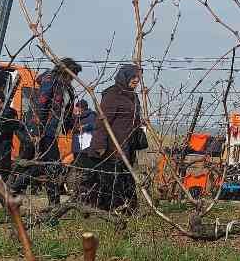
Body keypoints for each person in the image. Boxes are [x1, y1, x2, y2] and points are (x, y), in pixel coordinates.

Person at [13, 58, 81, 205]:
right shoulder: (50, 81)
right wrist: (37, 131)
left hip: (53, 131)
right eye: (72, 74)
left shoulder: (67, 88)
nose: (74, 78)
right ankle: (53, 204)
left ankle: (13, 189)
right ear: (65, 71)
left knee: (44, 166)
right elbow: (41, 106)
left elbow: (66, 110)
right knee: (52, 166)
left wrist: (72, 126)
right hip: (43, 131)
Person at [93, 65, 143, 212]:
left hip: (128, 146)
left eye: (138, 77)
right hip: (113, 147)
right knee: (114, 181)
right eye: (133, 77)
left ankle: (127, 210)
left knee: (126, 179)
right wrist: (99, 145)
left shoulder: (133, 96)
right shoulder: (113, 95)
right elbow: (102, 121)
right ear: (124, 76)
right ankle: (112, 211)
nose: (136, 80)